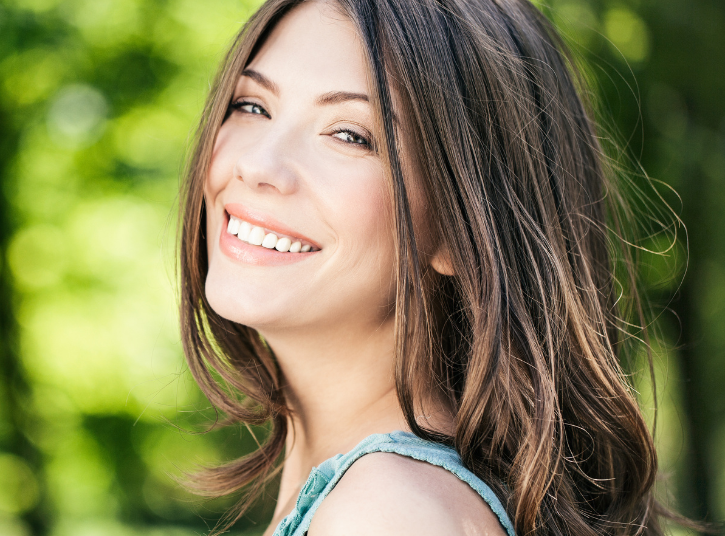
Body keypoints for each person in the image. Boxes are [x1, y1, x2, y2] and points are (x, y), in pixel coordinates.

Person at [177, 0, 683, 535]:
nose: (258, 165)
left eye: (350, 135)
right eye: (253, 105)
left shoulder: (389, 513)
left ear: (460, 232)